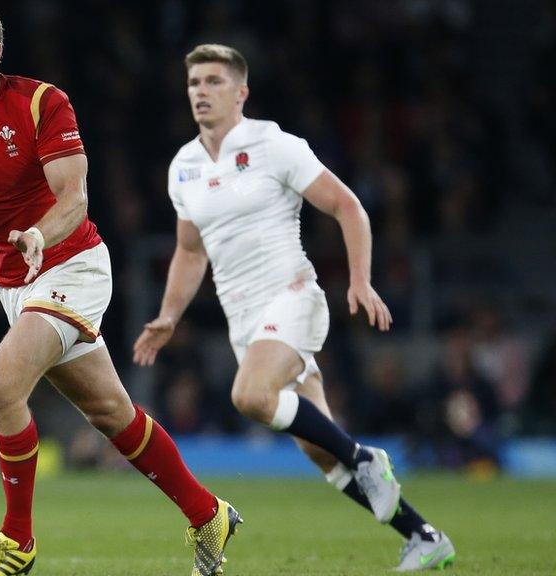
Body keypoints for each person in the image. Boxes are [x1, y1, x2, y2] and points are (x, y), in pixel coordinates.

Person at [0, 5, 240, 576]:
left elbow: (76, 199)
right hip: (15, 287)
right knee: (112, 413)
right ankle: (207, 512)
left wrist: (39, 233)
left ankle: (17, 546)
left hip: (73, 267)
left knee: (1, 384)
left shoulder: (41, 102)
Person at [133, 44, 455, 572]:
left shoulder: (273, 143)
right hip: (245, 323)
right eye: (194, 83)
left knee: (251, 395)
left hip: (292, 296)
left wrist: (359, 280)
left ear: (241, 93)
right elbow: (190, 252)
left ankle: (366, 457)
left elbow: (346, 205)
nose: (201, 92)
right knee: (319, 450)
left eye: (213, 82)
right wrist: (169, 316)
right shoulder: (184, 167)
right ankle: (423, 534)